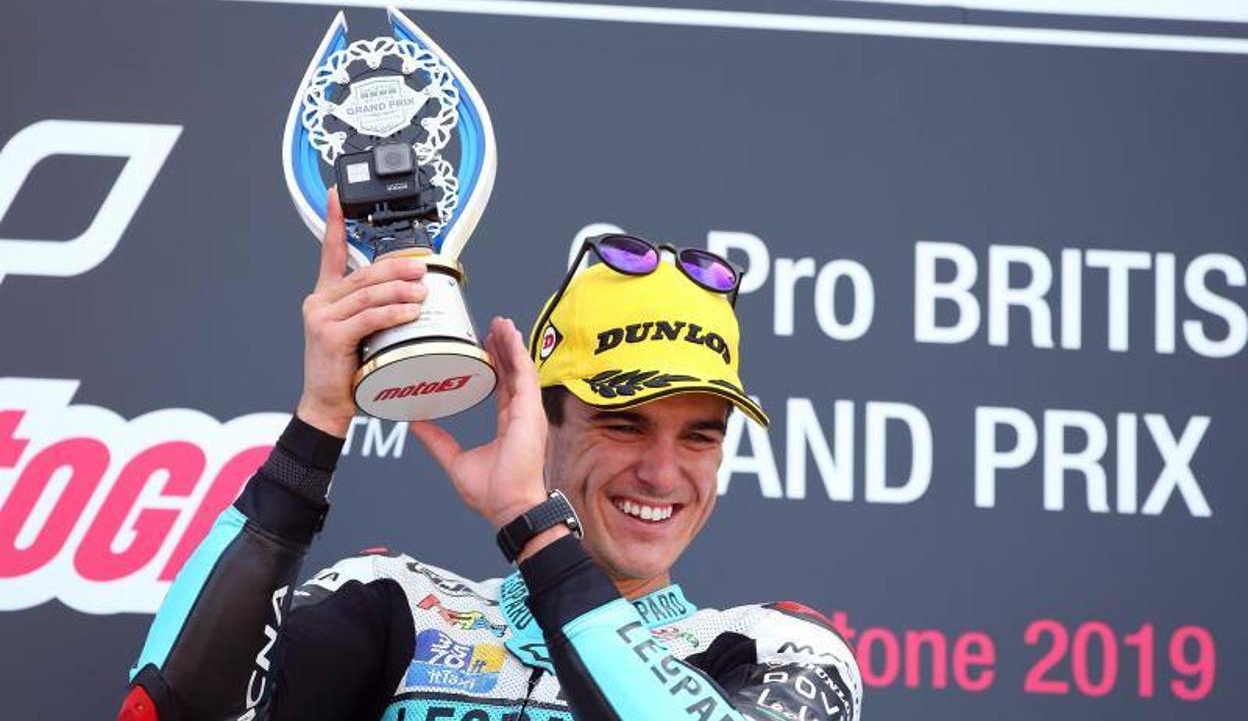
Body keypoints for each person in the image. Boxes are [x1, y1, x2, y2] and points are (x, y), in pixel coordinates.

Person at [117, 193, 863, 721]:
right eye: (626, 426)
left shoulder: (779, 651)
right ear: (540, 420)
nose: (664, 474)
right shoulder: (396, 606)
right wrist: (320, 419)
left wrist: (532, 528)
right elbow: (167, 708)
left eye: (700, 435)